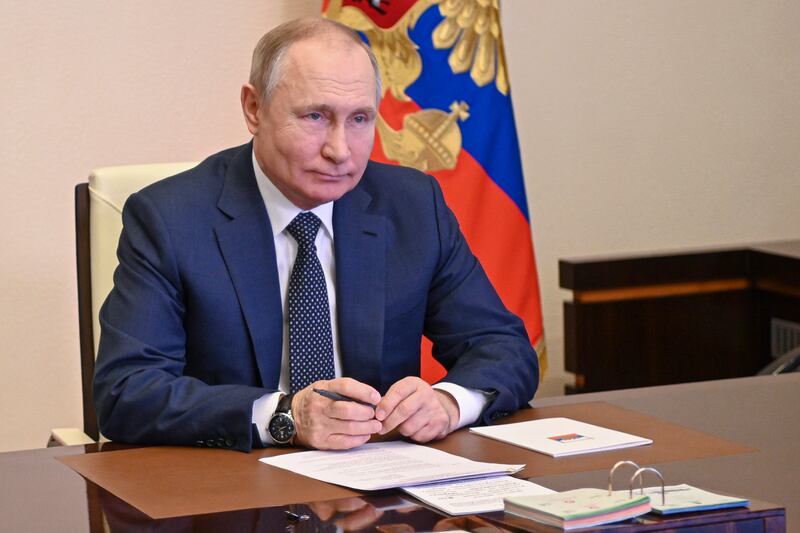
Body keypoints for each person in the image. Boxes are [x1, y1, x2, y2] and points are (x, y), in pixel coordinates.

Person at [93, 17, 538, 452]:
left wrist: (448, 403)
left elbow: (503, 348)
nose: (340, 150)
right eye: (315, 116)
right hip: (236, 486)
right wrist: (284, 417)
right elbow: (127, 392)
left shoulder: (413, 206)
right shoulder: (170, 218)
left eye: (360, 118)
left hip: (379, 490)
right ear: (254, 108)